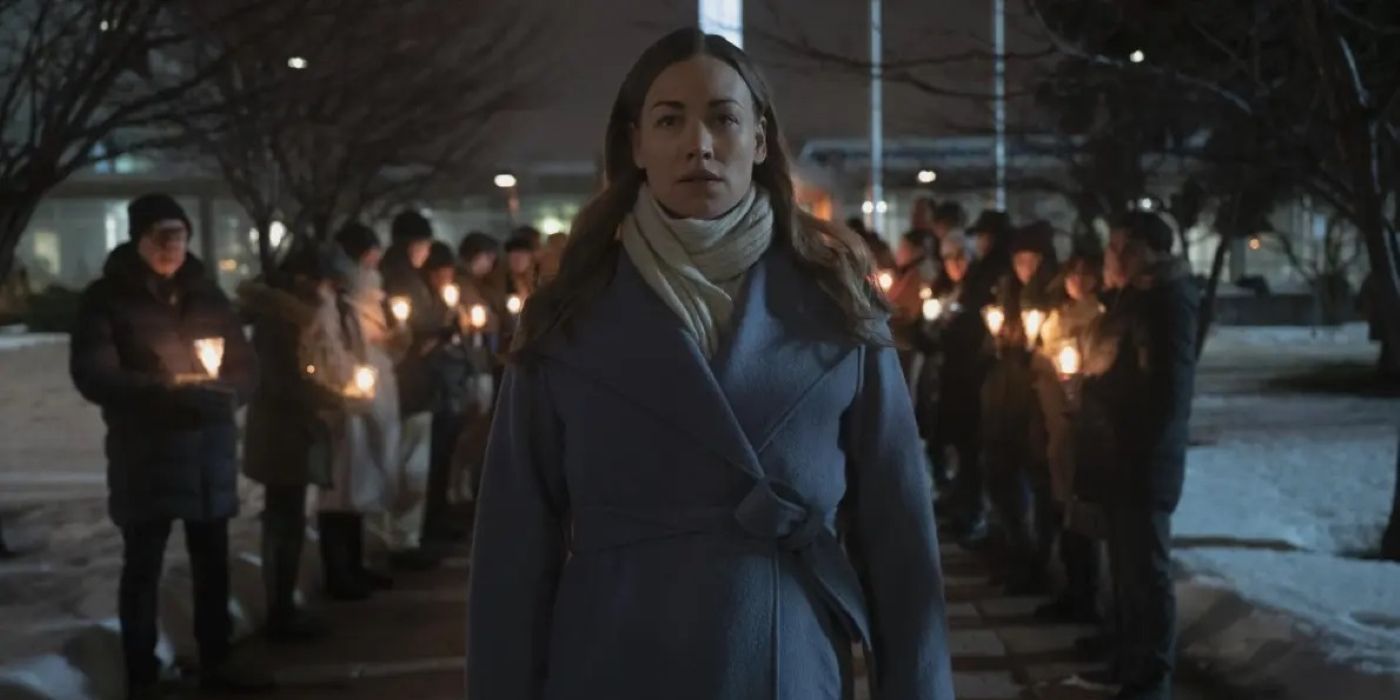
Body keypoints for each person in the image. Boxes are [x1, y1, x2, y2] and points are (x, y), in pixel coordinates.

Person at [467, 28, 955, 700]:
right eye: (670, 120)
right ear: (636, 143)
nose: (698, 144)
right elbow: (513, 547)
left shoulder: (837, 302)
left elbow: (898, 533)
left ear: (760, 139)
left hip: (788, 660)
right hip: (615, 658)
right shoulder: (566, 312)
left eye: (723, 118)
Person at [70, 194, 269, 698]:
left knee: (212, 562)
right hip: (147, 451)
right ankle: (142, 673)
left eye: (178, 237)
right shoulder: (108, 298)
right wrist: (162, 391)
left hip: (207, 450)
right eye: (161, 237)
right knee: (144, 565)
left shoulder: (207, 295)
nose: (170, 247)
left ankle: (217, 657)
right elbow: (94, 372)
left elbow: (244, 364)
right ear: (138, 239)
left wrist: (227, 394)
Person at [1072, 212, 1198, 700]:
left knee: (1147, 572)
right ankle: (1129, 661)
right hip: (1118, 456)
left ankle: (1152, 676)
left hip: (1143, 460)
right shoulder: (1134, 297)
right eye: (1113, 247)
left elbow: (1164, 392)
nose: (1114, 256)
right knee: (1126, 571)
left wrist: (1102, 397)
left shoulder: (1167, 302)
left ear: (1150, 250)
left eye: (1123, 247)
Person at [238, 241, 348, 640]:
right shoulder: (280, 322)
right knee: (282, 519)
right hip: (281, 431)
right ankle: (279, 610)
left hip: (291, 428)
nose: (326, 291)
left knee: (288, 516)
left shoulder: (293, 319)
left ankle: (283, 605)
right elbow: (283, 381)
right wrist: (331, 397)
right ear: (303, 281)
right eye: (322, 282)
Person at [318, 223, 402, 599]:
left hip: (359, 398)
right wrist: (349, 380)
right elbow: (328, 353)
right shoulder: (328, 307)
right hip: (339, 404)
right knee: (339, 492)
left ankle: (354, 565)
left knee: (356, 487)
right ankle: (339, 572)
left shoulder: (349, 304)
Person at [978, 220, 1058, 593]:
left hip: (1034, 402)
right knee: (1001, 477)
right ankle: (1015, 552)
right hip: (1004, 397)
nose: (1024, 267)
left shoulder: (1051, 296)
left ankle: (1037, 563)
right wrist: (997, 342)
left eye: (1031, 260)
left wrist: (1031, 350)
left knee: (1038, 485)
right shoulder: (1008, 292)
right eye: (1019, 260)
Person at [1029, 253, 1105, 624]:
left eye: (1085, 273)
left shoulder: (1098, 317)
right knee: (1060, 505)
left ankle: (1085, 594)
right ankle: (1070, 587)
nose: (1077, 280)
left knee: (1079, 511)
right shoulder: (1056, 316)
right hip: (1052, 419)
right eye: (1072, 273)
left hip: (1078, 426)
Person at [378, 211, 441, 569]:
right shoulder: (405, 280)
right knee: (410, 464)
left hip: (401, 383)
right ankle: (403, 540)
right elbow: (418, 327)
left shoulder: (386, 275)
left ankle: (397, 537)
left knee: (398, 462)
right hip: (411, 381)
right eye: (425, 246)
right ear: (414, 245)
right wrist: (435, 332)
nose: (427, 253)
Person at [927, 232, 992, 539]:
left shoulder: (978, 292)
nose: (955, 264)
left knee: (968, 452)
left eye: (960, 257)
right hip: (948, 379)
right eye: (949, 258)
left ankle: (972, 513)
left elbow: (972, 337)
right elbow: (932, 338)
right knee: (943, 444)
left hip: (969, 381)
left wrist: (948, 330)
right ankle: (955, 501)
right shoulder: (945, 291)